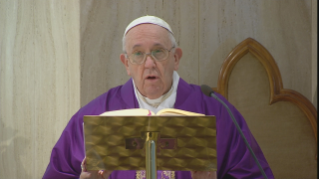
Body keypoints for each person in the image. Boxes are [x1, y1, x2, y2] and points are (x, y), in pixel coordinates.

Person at [43, 15, 274, 179]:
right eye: (138, 54)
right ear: (126, 63)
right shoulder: (93, 115)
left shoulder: (217, 111)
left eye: (158, 52)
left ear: (176, 58)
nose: (149, 63)